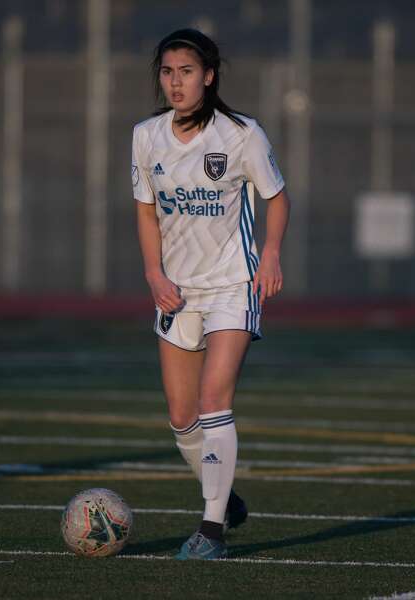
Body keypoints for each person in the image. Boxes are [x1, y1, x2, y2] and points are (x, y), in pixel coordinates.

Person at [132, 28, 290, 560]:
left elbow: (277, 197)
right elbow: (146, 211)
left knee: (212, 401)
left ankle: (211, 531)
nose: (175, 83)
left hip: (232, 284)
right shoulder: (146, 135)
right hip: (176, 291)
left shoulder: (241, 134)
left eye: (186, 72)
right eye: (167, 72)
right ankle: (227, 499)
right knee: (182, 418)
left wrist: (269, 254)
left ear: (209, 76)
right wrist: (154, 274)